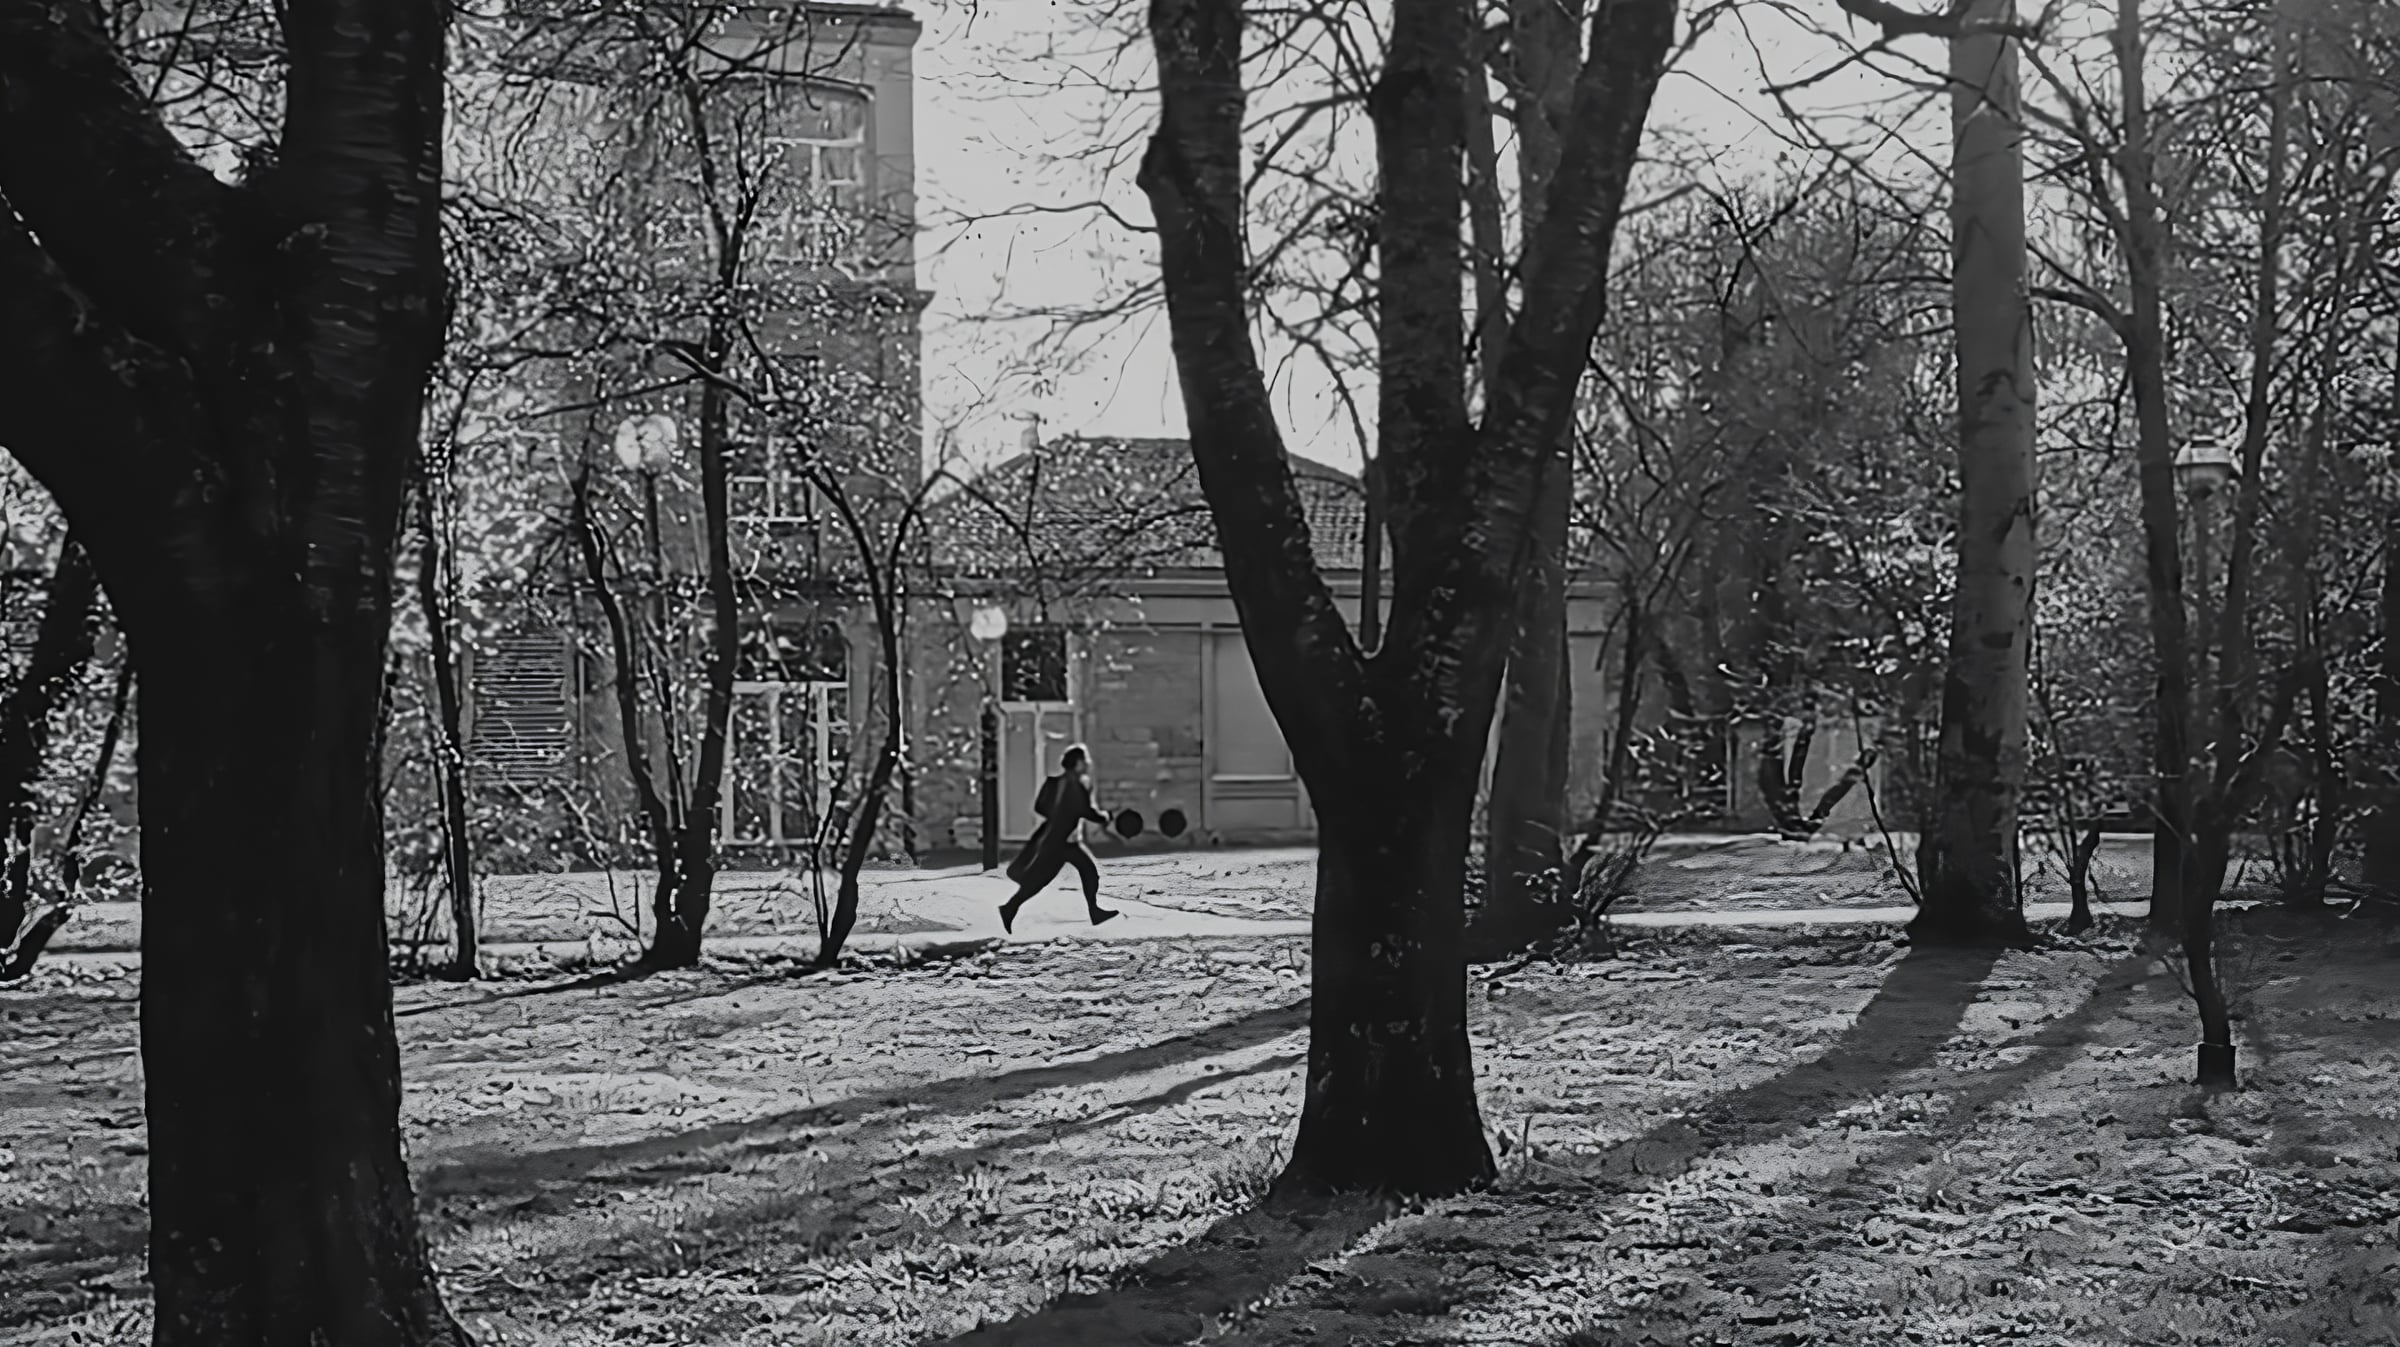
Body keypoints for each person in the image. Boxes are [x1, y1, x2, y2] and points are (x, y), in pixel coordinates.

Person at [999, 744, 1117, 933]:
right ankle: (1009, 908)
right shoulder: (1075, 785)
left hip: (1065, 841)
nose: (1087, 763)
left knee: (1088, 873)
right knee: (1041, 880)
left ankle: (1095, 912)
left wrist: (1058, 816)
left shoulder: (1055, 783)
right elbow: (1085, 811)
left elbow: (1040, 807)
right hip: (1061, 843)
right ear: (1078, 763)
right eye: (1084, 760)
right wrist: (1105, 817)